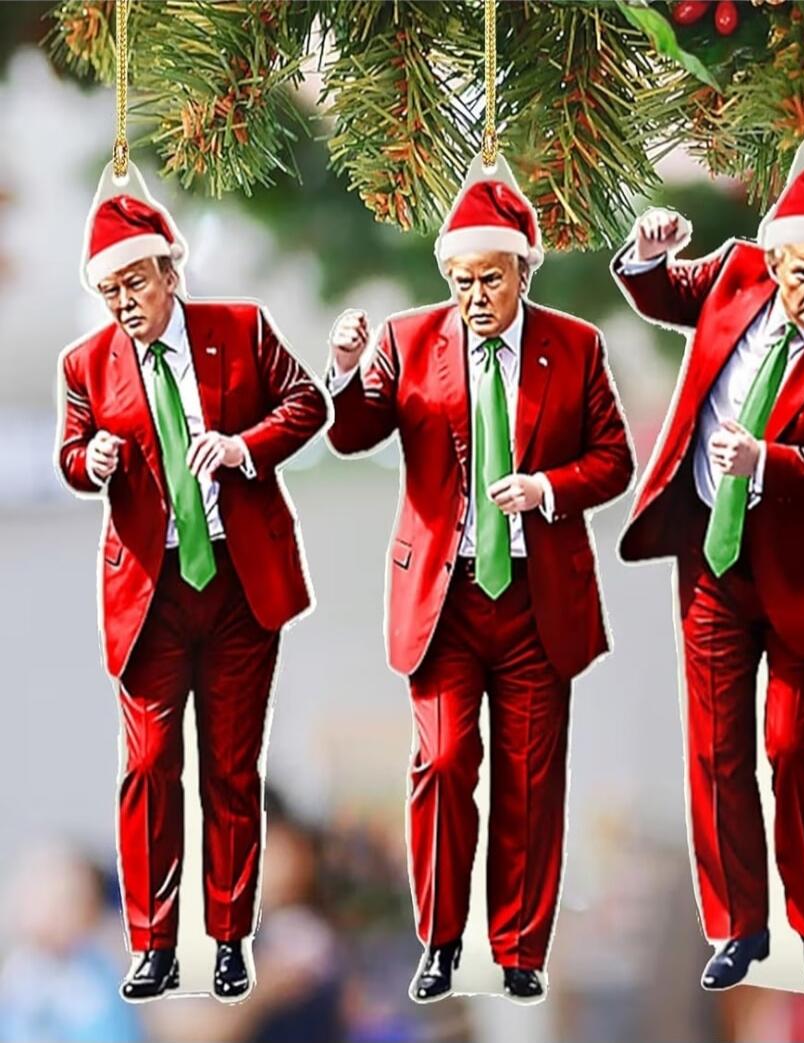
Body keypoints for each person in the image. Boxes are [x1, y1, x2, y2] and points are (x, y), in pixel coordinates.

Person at [325, 168, 634, 1003]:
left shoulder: (574, 347)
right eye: (461, 280)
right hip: (444, 596)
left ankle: (521, 945)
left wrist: (547, 489)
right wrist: (347, 369)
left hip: (537, 596)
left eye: (490, 277)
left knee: (532, 776)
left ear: (524, 270)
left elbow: (615, 460)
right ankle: (440, 934)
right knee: (445, 757)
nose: (474, 295)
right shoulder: (409, 339)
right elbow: (355, 433)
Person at [611, 145, 804, 999]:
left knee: (792, 744)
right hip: (711, 558)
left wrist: (764, 460)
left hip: (801, 579)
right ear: (774, 257)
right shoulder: (735, 275)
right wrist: (647, 256)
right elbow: (665, 297)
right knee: (715, 748)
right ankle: (737, 923)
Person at [56, 192, 329, 1001]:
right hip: (152, 588)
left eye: (135, 285)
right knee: (146, 764)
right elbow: (71, 453)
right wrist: (92, 461)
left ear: (171, 270)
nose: (124, 305)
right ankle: (152, 941)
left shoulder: (240, 330)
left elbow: (305, 403)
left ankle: (231, 934)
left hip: (239, 581)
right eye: (110, 293)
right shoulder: (85, 363)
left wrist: (243, 448)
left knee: (231, 766)